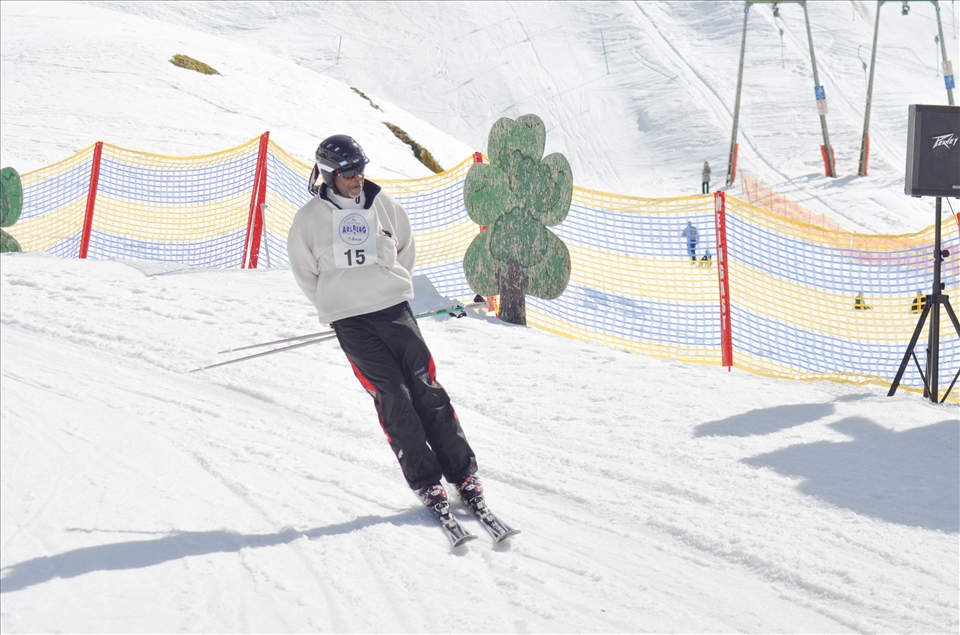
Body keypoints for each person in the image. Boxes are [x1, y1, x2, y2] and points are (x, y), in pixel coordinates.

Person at [286, 134, 482, 521]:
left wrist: (388, 288)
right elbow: (305, 272)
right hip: (351, 322)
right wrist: (338, 305)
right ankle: (426, 480)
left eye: (361, 169)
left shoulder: (384, 205)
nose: (357, 177)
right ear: (329, 175)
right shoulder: (309, 220)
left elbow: (405, 250)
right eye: (347, 172)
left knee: (426, 388)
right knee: (393, 395)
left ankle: (463, 474)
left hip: (393, 310)